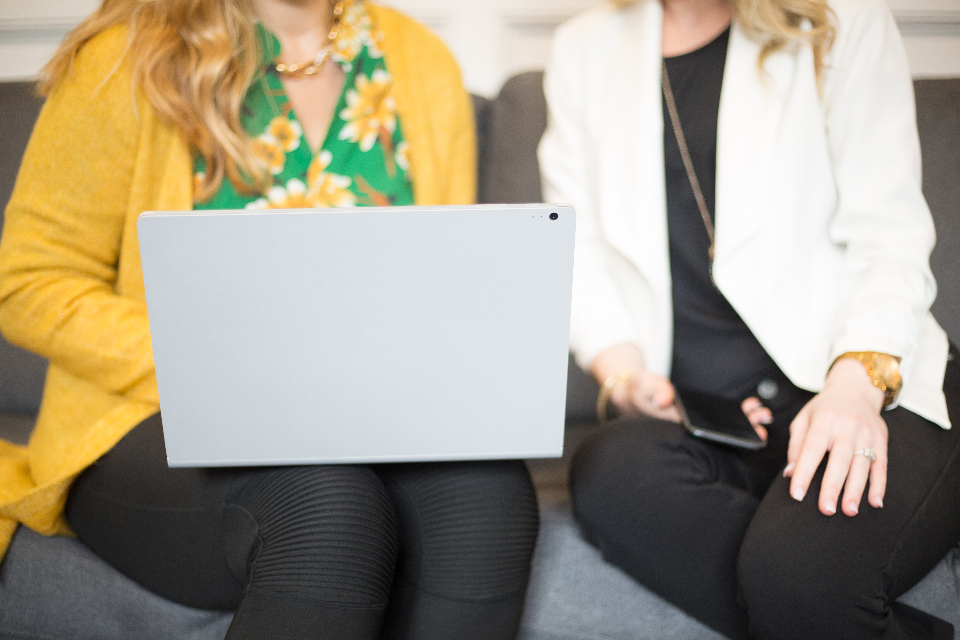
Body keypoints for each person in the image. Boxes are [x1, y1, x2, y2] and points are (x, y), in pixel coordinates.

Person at [0, 1, 539, 638]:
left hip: (363, 421)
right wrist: (227, 369)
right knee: (327, 508)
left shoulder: (422, 61)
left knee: (491, 496)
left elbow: (435, 282)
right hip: (152, 420)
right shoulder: (126, 56)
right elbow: (28, 282)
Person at [539, 0, 960, 638]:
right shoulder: (584, 47)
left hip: (863, 386)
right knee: (607, 472)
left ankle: (794, 575)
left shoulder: (840, 16)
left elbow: (889, 235)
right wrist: (623, 375)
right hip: (713, 421)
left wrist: (855, 387)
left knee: (797, 577)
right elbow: (578, 250)